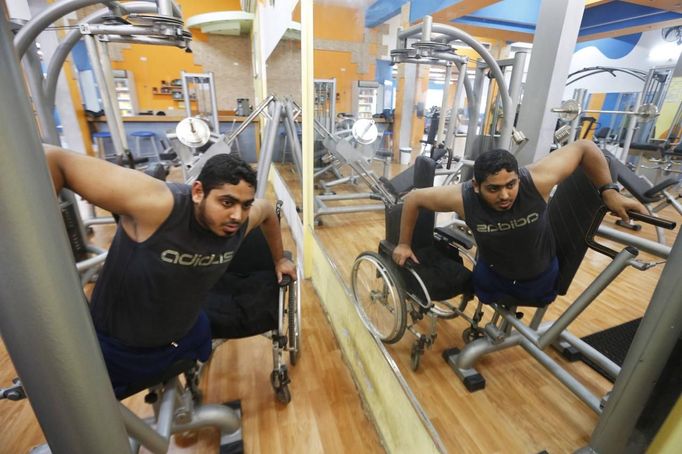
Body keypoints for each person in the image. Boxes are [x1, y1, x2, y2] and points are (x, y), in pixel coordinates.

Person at [45, 145, 296, 397]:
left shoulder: (243, 219)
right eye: (226, 202)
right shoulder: (158, 205)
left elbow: (267, 213)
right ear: (198, 192)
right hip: (120, 347)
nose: (236, 215)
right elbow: (53, 159)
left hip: (186, 333)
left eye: (245, 205)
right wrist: (49, 271)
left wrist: (279, 260)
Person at [392, 139, 646, 306]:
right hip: (491, 277)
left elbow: (584, 147)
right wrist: (404, 244)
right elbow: (414, 198)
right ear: (476, 186)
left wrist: (609, 192)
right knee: (481, 293)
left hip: (539, 281)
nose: (504, 195)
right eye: (493, 189)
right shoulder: (461, 197)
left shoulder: (536, 180)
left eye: (510, 185)